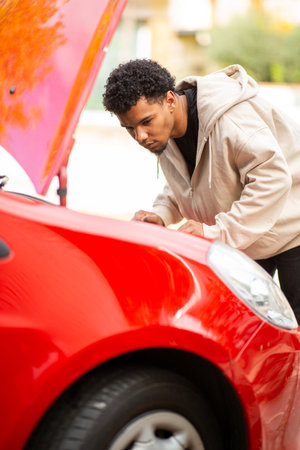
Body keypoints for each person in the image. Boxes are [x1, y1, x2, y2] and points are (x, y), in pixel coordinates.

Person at [103, 58, 300, 321]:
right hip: (246, 241)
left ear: (170, 101)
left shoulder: (230, 120)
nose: (140, 136)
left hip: (293, 230)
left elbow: (273, 179)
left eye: (146, 121)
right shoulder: (165, 131)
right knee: (245, 330)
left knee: (294, 332)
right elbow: (191, 180)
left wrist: (216, 232)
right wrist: (162, 213)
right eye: (130, 128)